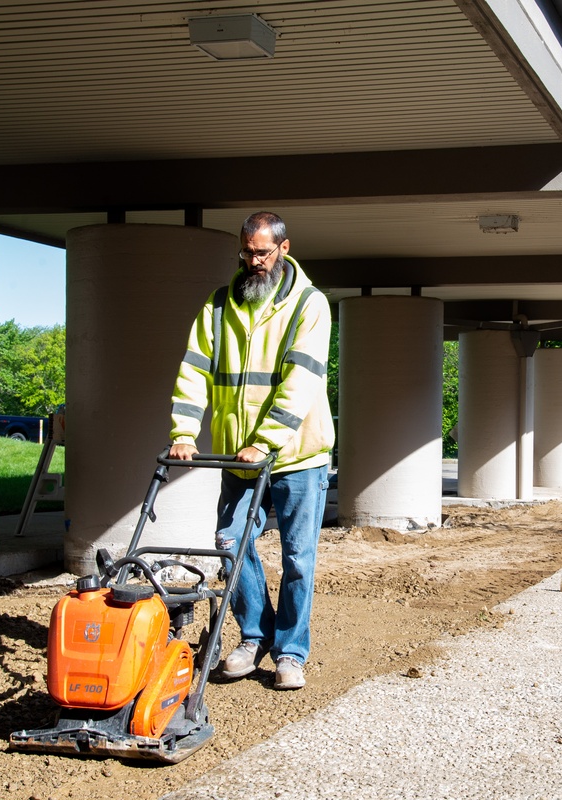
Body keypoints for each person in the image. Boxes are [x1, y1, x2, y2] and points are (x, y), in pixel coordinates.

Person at [168, 211, 334, 690]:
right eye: (246, 252)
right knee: (230, 543)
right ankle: (254, 636)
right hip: (237, 458)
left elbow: (301, 380)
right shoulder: (220, 305)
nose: (253, 261)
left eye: (262, 252)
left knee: (298, 557)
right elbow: (194, 368)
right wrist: (183, 431)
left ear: (284, 248)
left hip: (298, 457)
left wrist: (264, 441)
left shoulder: (309, 304)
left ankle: (290, 652)